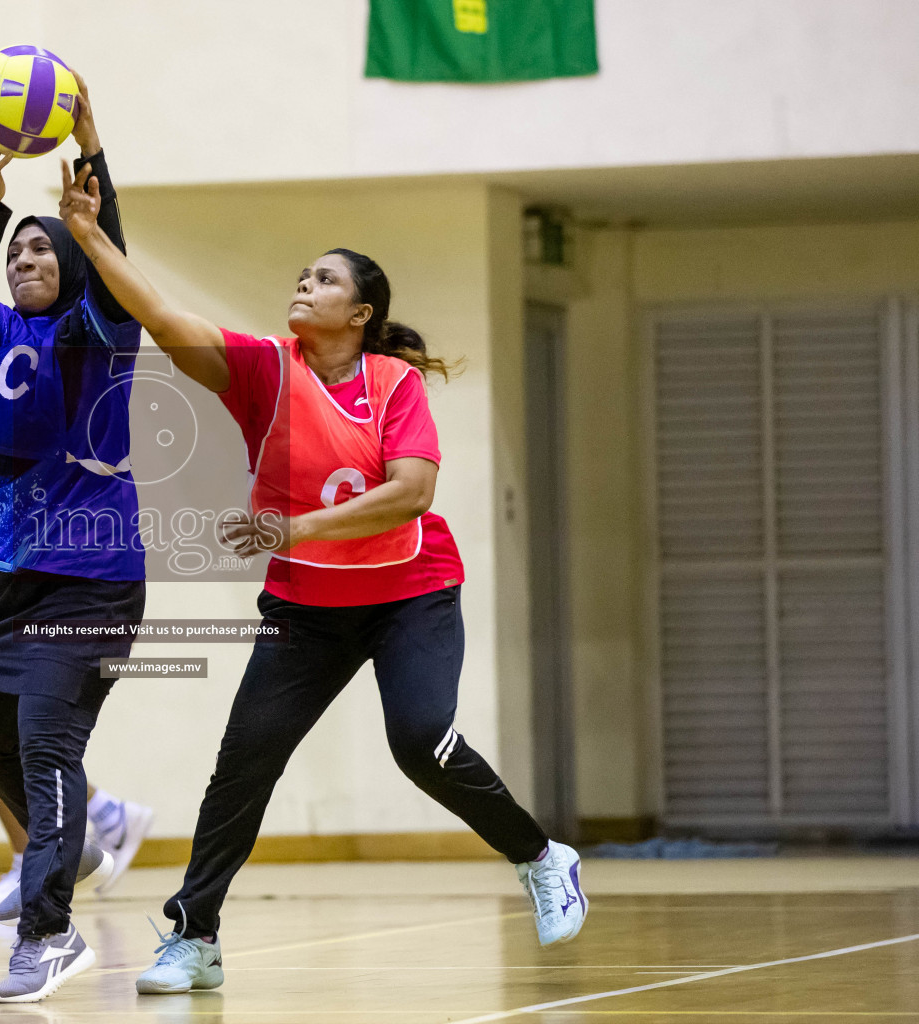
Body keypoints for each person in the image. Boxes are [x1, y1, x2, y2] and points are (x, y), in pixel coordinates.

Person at [57, 165, 589, 994]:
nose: (305, 285)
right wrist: (89, 234)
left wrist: (293, 526)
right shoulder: (265, 371)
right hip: (307, 608)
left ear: (362, 312)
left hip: (409, 592)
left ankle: (542, 856)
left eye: (326, 279)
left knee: (419, 743)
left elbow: (412, 492)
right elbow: (162, 315)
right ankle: (194, 937)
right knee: (244, 764)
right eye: (302, 276)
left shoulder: (393, 385)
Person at [0, 74, 143, 1004]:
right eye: (15, 248)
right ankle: (78, 839)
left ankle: (51, 932)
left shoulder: (98, 336)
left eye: (40, 245)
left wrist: (94, 168)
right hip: (14, 581)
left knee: (43, 749)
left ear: (70, 261)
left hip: (92, 583)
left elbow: (116, 272)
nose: (26, 255)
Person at [0, 505, 154, 897]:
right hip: (13, 594)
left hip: (79, 590)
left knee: (31, 736)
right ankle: (103, 817)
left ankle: (39, 878)